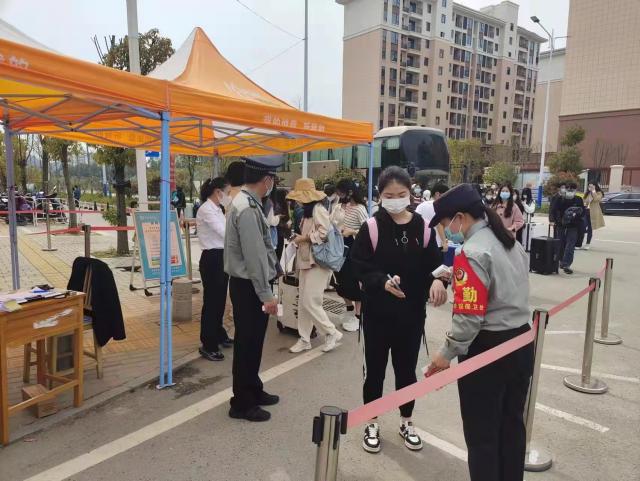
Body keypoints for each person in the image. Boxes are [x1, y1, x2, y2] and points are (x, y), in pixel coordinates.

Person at [426, 183, 533, 481]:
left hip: (487, 350)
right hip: (521, 342)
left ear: (460, 218)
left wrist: (445, 354)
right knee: (512, 427)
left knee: (482, 437)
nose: (447, 231)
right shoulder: (508, 241)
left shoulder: (471, 252)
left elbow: (469, 319)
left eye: (446, 224)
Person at [351, 166, 448, 454]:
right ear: (380, 196)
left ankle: (407, 421)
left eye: (401, 194)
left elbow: (436, 265)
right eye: (389, 195)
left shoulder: (423, 227)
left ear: (411, 193)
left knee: (406, 371)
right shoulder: (371, 227)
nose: (395, 200)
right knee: (375, 372)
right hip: (377, 315)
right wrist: (382, 281)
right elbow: (359, 266)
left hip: (411, 315)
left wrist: (439, 281)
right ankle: (371, 421)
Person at [224, 155, 283, 422]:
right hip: (249, 286)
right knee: (247, 344)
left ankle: (253, 388)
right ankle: (242, 403)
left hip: (249, 284)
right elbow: (255, 256)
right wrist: (266, 294)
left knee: (254, 341)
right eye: (273, 179)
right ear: (266, 180)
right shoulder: (247, 208)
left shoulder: (246, 202)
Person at [286, 179, 343, 353]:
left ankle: (331, 332)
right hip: (306, 261)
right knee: (304, 302)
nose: (297, 200)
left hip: (318, 262)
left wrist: (303, 238)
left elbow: (323, 233)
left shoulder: (318, 209)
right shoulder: (308, 211)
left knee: (310, 301)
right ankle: (304, 338)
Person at [196, 177, 233, 362]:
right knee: (211, 302)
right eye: (227, 193)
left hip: (221, 257)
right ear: (218, 192)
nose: (229, 196)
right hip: (212, 259)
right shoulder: (206, 209)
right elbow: (225, 233)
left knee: (219, 301)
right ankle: (208, 344)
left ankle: (218, 333)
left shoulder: (218, 209)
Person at [331, 179, 369, 332]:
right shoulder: (341, 206)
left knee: (353, 280)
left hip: (354, 248)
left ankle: (358, 315)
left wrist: (352, 231)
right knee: (340, 280)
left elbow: (367, 230)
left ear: (350, 192)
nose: (339, 195)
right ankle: (349, 309)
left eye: (341, 192)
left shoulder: (360, 208)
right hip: (340, 246)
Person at [549, 182, 584, 274]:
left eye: (572, 189)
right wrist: (553, 220)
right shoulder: (559, 199)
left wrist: (576, 214)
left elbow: (582, 212)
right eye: (568, 189)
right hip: (560, 225)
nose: (570, 191)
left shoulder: (578, 199)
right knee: (560, 244)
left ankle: (566, 264)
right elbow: (553, 210)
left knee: (570, 245)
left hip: (573, 226)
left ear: (575, 190)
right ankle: (560, 260)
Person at [416, 183, 449, 251]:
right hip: (436, 244)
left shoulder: (421, 205)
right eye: (446, 195)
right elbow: (439, 224)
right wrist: (444, 241)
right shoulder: (439, 206)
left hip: (421, 243)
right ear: (437, 194)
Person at [580, 182, 605, 250]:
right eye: (589, 186)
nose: (590, 187)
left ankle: (587, 244)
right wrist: (585, 202)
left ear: (595, 186)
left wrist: (593, 191)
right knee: (582, 227)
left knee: (590, 229)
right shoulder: (587, 193)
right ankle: (579, 243)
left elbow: (596, 199)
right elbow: (584, 201)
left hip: (593, 213)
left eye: (591, 186)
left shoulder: (599, 193)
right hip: (585, 212)